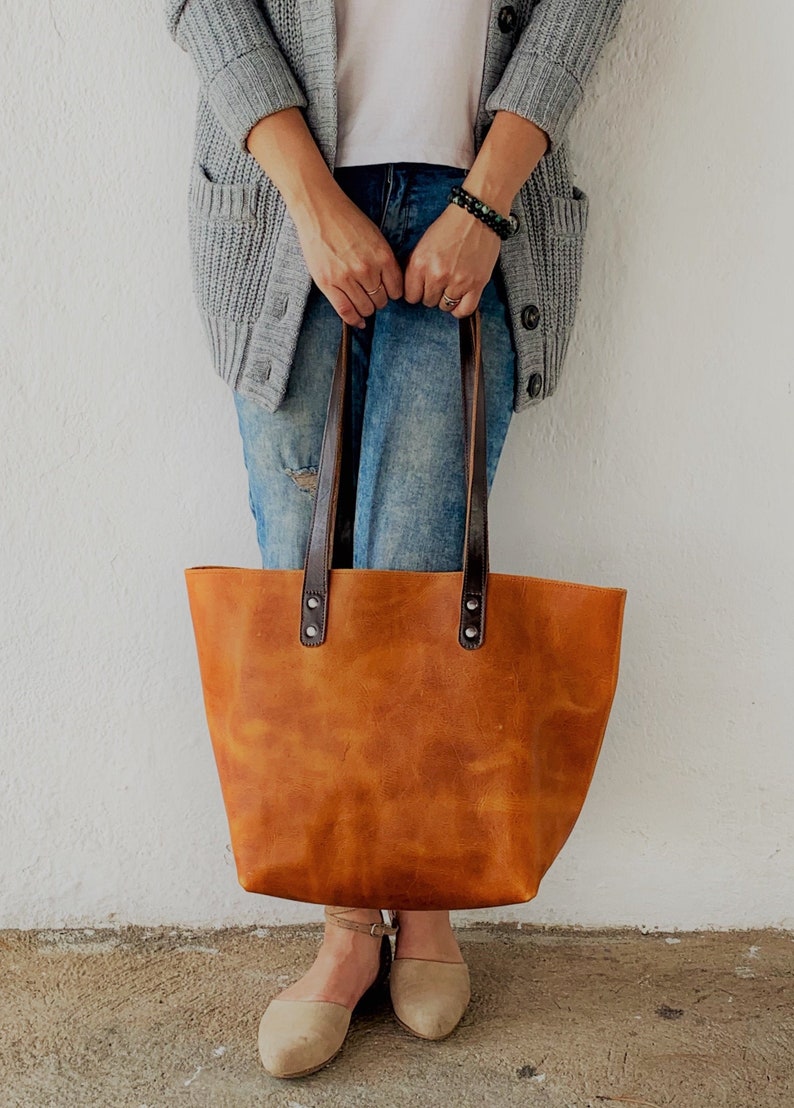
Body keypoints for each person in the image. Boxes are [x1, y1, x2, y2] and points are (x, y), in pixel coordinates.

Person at [164, 0, 625, 1080]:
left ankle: (417, 911)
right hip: (287, 201)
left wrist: (487, 199)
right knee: (303, 586)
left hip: (470, 196)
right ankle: (343, 930)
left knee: (420, 580)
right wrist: (312, 199)